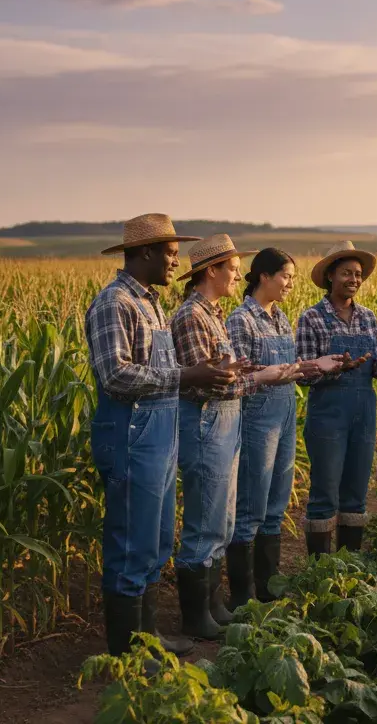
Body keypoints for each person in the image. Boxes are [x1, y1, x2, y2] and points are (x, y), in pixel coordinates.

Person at [84, 214, 239, 661]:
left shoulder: (150, 303)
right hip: (131, 435)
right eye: (171, 254)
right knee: (131, 544)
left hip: (159, 435)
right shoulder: (115, 302)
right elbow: (114, 374)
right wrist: (190, 373)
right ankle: (128, 654)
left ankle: (146, 638)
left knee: (154, 544)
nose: (176, 263)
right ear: (145, 253)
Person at [170, 234, 299, 641]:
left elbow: (221, 371)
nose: (238, 274)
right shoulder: (192, 316)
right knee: (205, 522)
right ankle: (197, 616)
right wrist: (258, 375)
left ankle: (213, 605)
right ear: (212, 271)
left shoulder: (213, 314)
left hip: (226, 422)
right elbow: (205, 382)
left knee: (222, 521)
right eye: (232, 267)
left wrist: (240, 370)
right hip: (208, 422)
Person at [225, 249, 344, 608]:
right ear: (263, 276)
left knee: (277, 504)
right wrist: (283, 372)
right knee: (251, 507)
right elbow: (238, 378)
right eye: (286, 276)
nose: (291, 283)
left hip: (285, 415)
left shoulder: (279, 318)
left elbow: (288, 368)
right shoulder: (241, 320)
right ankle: (243, 596)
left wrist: (314, 365)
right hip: (257, 418)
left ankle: (268, 586)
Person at [296, 241, 377, 555]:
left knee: (356, 492)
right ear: (330, 276)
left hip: (364, 412)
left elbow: (375, 369)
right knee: (325, 492)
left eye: (357, 274)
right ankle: (320, 571)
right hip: (328, 413)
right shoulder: (311, 318)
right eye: (346, 273)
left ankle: (348, 566)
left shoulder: (368, 317)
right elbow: (303, 371)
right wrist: (335, 368)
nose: (354, 279)